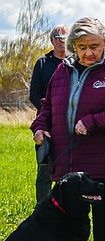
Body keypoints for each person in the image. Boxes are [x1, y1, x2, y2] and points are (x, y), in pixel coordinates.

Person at [31, 18, 105, 241]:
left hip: (102, 160)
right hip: (66, 160)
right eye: (82, 47)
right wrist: (39, 128)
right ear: (72, 47)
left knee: (103, 218)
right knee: (61, 220)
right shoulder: (60, 72)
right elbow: (47, 106)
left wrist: (93, 121)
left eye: (94, 46)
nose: (88, 52)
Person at [29, 24, 68, 203]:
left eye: (65, 38)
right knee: (44, 172)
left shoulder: (74, 63)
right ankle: (43, 210)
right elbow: (34, 94)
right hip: (45, 126)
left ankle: (64, 209)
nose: (62, 42)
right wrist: (51, 110)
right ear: (52, 41)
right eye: (58, 38)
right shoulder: (43, 63)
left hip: (68, 124)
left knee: (67, 173)